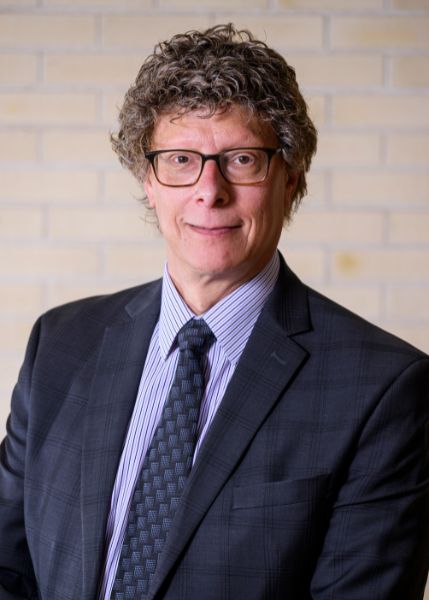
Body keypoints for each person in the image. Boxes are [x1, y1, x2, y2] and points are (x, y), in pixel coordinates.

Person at [0, 23, 428, 600]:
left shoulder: (383, 388)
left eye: (242, 159)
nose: (210, 190)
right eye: (181, 159)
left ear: (290, 178)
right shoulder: (60, 343)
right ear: (149, 181)